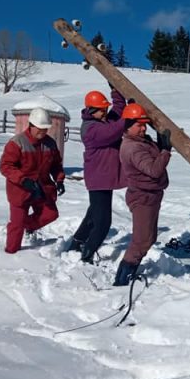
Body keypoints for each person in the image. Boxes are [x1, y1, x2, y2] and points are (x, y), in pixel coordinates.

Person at [114, 103, 172, 286]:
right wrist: (165, 151)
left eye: (144, 124)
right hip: (142, 197)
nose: (143, 128)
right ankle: (122, 279)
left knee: (150, 237)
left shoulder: (141, 141)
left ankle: (130, 270)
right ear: (128, 126)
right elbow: (154, 170)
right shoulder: (133, 148)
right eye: (138, 125)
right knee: (141, 240)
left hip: (151, 195)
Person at [68, 87, 127, 263]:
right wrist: (129, 118)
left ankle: (77, 243)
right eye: (102, 109)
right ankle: (87, 254)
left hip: (105, 178)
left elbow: (118, 108)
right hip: (99, 179)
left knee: (93, 214)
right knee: (103, 222)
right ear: (92, 110)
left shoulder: (104, 121)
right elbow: (113, 132)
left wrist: (116, 89)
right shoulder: (90, 128)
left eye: (105, 109)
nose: (105, 112)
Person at [0, 107, 65, 254]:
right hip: (20, 190)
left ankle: (25, 226)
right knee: (17, 224)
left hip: (41, 188)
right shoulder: (17, 143)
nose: (42, 132)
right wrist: (22, 180)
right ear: (31, 125)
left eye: (45, 129)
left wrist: (59, 180)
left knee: (50, 214)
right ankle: (10, 252)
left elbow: (56, 165)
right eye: (40, 128)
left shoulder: (50, 143)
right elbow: (6, 166)